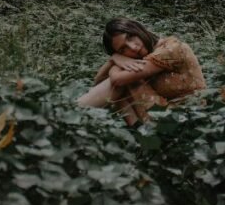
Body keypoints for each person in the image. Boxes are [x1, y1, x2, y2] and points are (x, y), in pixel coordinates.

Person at [77, 18, 206, 125]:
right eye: (123, 49)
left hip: (188, 118)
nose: (133, 47)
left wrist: (116, 61)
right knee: (125, 77)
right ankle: (138, 139)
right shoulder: (142, 58)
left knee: (126, 80)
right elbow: (98, 81)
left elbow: (117, 80)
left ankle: (69, 114)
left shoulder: (171, 49)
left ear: (138, 29)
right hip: (168, 115)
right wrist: (114, 59)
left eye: (131, 37)